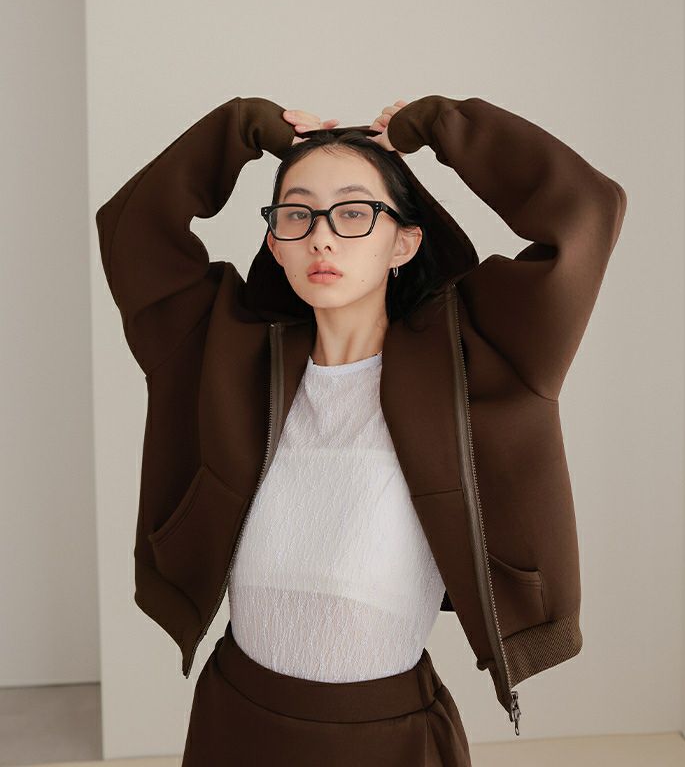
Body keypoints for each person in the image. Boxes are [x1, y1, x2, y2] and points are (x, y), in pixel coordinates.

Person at [95, 92, 626, 765]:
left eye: (353, 212)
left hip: (387, 734)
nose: (321, 236)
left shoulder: (483, 357)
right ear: (275, 244)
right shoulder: (220, 352)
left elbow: (587, 210)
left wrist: (440, 125)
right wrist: (241, 127)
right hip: (234, 718)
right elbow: (131, 230)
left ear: (404, 240)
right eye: (297, 214)